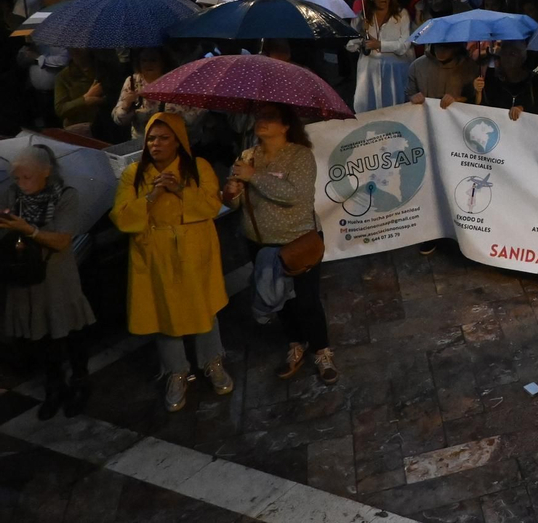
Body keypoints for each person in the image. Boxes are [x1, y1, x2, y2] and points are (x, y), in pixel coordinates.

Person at [109, 114, 232, 412]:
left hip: (194, 251)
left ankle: (212, 361)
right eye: (151, 138)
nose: (156, 144)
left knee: (202, 306)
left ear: (178, 141)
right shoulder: (134, 174)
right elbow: (122, 216)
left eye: (164, 138)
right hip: (156, 255)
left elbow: (212, 205)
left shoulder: (198, 168)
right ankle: (176, 370)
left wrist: (179, 190)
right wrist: (152, 196)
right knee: (164, 313)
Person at [222, 105, 337, 384]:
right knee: (280, 302)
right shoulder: (248, 157)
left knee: (307, 301)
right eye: (259, 116)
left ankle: (321, 350)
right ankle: (295, 344)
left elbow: (294, 195)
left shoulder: (300, 156)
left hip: (299, 242)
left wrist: (253, 177)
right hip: (260, 244)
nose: (261, 121)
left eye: (269, 117)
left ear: (286, 126)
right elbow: (231, 201)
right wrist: (230, 192)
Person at [0, 145, 94, 419]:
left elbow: (62, 240)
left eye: (27, 176)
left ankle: (80, 381)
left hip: (58, 278)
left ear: (46, 172)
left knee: (70, 332)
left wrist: (27, 229)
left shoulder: (65, 196)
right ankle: (54, 387)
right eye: (17, 177)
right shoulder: (13, 196)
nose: (21, 183)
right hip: (25, 277)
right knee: (40, 337)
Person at [111, 47, 201, 140]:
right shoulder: (133, 82)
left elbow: (193, 118)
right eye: (144, 60)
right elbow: (118, 120)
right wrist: (126, 105)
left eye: (153, 60)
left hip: (175, 141)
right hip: (142, 142)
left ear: (163, 62)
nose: (148, 64)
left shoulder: (178, 81)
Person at [350, 0, 412, 113]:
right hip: (368, 72)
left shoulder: (402, 14)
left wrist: (380, 44)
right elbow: (350, 45)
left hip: (394, 72)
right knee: (368, 108)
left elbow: (404, 46)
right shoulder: (362, 16)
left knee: (395, 108)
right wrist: (362, 31)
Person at [53, 48, 102, 134]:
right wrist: (85, 99)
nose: (75, 49)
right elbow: (60, 109)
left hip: (103, 125)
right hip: (77, 127)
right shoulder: (63, 76)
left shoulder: (103, 70)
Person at [406, 42, 472, 104]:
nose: (441, 50)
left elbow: (472, 99)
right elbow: (409, 94)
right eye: (438, 45)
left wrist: (457, 99)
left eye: (447, 47)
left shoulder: (468, 66)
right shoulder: (417, 66)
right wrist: (414, 98)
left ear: (456, 47)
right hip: (425, 113)